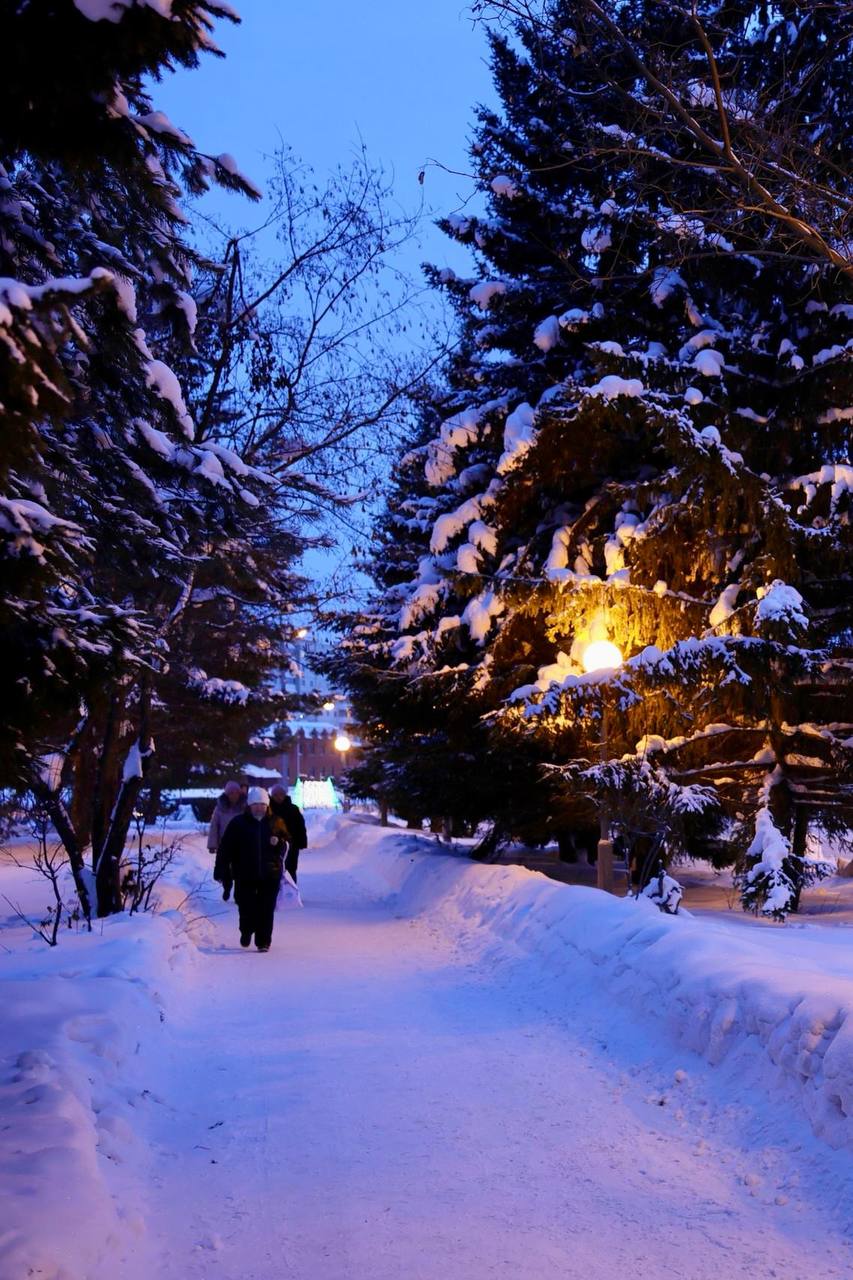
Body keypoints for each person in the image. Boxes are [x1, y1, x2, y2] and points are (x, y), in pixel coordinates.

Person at [214, 786, 289, 952]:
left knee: (266, 908)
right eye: (255, 804)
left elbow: (287, 846)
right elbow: (226, 848)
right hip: (244, 874)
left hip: (270, 873)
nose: (259, 807)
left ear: (267, 805)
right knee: (246, 906)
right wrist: (220, 869)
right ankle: (246, 931)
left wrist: (280, 843)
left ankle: (263, 941)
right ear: (249, 805)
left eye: (262, 804)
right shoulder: (238, 823)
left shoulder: (277, 822)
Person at [269, 783, 307, 883]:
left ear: (285, 795)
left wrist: (301, 841)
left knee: (291, 868)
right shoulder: (269, 810)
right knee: (273, 869)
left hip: (292, 844)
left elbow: (300, 826)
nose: (278, 797)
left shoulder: (293, 809)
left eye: (281, 794)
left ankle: (291, 891)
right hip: (273, 845)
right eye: (276, 795)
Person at [206, 780, 245, 857]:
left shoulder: (245, 808)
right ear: (227, 795)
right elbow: (214, 827)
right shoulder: (220, 809)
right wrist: (212, 845)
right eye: (231, 793)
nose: (234, 795)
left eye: (236, 793)